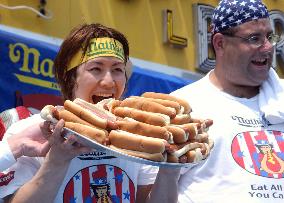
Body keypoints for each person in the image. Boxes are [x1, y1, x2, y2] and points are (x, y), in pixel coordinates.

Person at [0, 23, 179, 203]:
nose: (109, 82)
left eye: (117, 69)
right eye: (96, 69)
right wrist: (56, 161)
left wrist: (170, 172)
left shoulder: (136, 136)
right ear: (69, 78)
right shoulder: (32, 132)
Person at [170, 0, 284, 202]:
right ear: (220, 43)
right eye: (254, 38)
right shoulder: (182, 106)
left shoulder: (280, 99)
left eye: (269, 36)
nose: (267, 48)